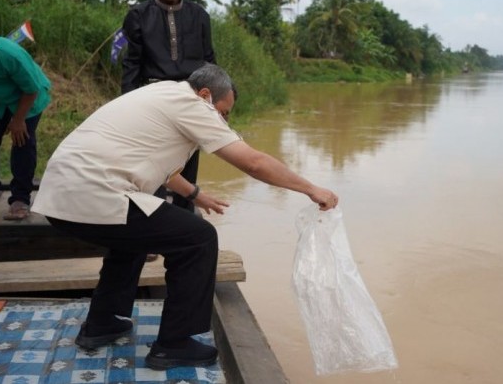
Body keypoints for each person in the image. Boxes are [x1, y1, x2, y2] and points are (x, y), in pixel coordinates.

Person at [31, 64, 338, 370]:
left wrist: (195, 195)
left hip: (63, 193)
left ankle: (103, 323)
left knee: (135, 235)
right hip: (92, 191)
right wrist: (311, 189)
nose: (223, 120)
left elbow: (161, 166)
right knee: (198, 238)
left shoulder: (163, 93)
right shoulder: (192, 105)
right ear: (205, 95)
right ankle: (174, 345)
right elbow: (254, 162)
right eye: (224, 112)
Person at [121, 0, 216, 215]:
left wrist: (212, 103)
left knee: (188, 167)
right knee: (152, 169)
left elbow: (209, 60)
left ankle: (184, 233)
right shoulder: (137, 15)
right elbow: (132, 64)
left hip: (191, 98)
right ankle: (153, 231)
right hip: (154, 99)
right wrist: (127, 106)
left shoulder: (199, 15)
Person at [0, 19, 52, 220]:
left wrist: (18, 120)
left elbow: (31, 89)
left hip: (28, 99)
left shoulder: (6, 54)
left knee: (22, 141)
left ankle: (20, 198)